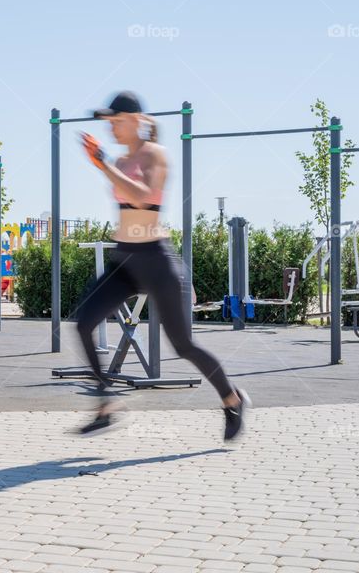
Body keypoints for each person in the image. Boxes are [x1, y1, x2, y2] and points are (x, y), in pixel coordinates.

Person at [73, 91, 250, 441]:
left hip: (155, 260)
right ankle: (105, 405)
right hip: (124, 261)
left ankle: (232, 399)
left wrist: (102, 164)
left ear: (137, 121)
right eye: (108, 123)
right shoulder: (121, 161)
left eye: (117, 121)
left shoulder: (156, 155)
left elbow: (141, 196)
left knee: (183, 346)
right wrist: (107, 164)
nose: (111, 129)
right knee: (82, 322)